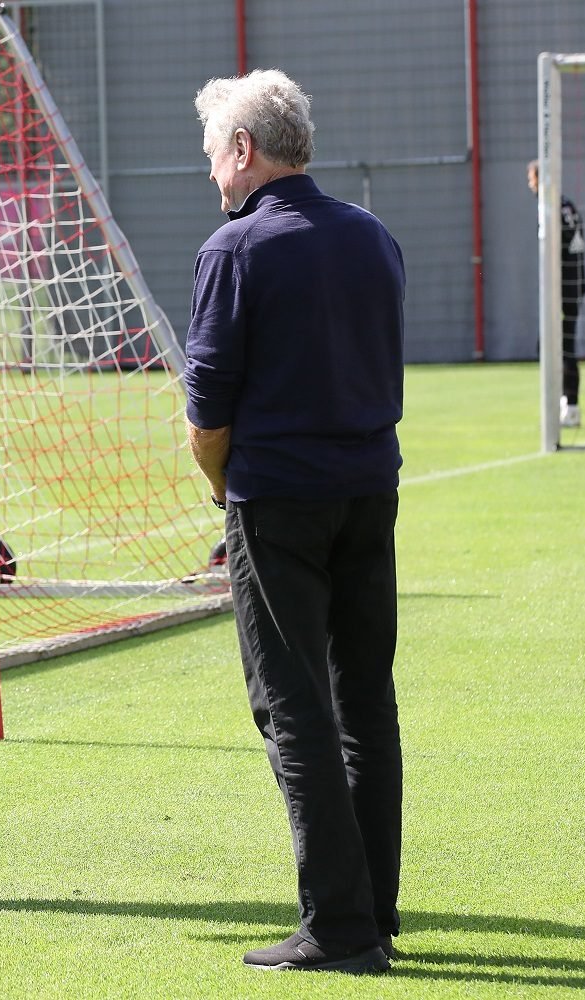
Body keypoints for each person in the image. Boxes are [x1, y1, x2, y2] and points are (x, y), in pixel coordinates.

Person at [182, 70, 405, 975]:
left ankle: (341, 927)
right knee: (364, 703)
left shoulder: (235, 250)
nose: (212, 178)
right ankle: (373, 912)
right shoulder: (372, 235)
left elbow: (206, 416)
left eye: (213, 158)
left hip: (278, 498)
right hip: (368, 489)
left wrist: (221, 483)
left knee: (292, 709)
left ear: (244, 150)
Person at [528, 160, 585, 428]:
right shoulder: (568, 205)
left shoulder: (552, 209)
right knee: (556, 345)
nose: (530, 184)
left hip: (562, 287)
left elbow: (559, 249)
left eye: (531, 179)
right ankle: (565, 403)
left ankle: (567, 405)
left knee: (559, 346)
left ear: (540, 180)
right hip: (573, 284)